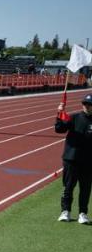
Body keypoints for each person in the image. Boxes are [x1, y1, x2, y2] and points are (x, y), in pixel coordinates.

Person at [55, 94, 92, 224]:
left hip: (88, 161)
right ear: (82, 105)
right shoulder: (74, 117)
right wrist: (59, 113)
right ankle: (65, 212)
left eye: (90, 104)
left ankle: (83, 213)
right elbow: (59, 129)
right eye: (85, 104)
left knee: (85, 188)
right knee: (68, 187)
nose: (87, 106)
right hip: (71, 159)